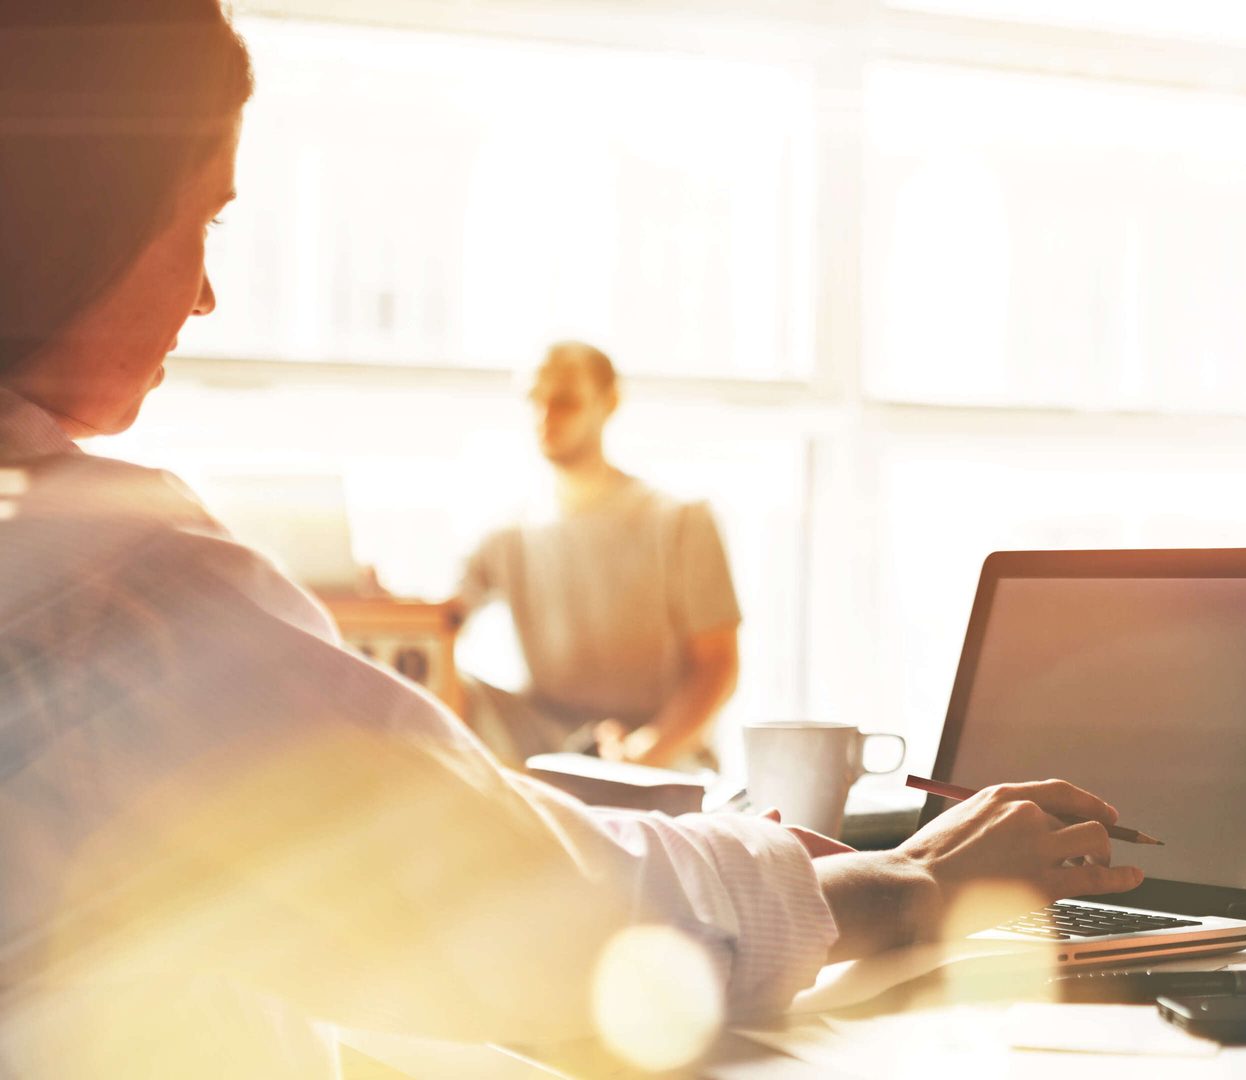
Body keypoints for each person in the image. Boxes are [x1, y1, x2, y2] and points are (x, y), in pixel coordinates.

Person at [0, 4, 1144, 1075]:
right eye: (203, 216)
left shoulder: (672, 518)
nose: (207, 294)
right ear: (82, 212)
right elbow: (510, 906)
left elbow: (696, 683)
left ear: (605, 404)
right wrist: (907, 885)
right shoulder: (108, 579)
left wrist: (680, 802)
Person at [457, 341, 740, 770]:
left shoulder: (682, 522)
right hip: (543, 756)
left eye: (565, 401)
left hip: (658, 755)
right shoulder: (505, 536)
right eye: (535, 399)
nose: (545, 416)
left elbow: (718, 666)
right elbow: (437, 625)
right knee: (454, 684)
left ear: (609, 403)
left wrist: (647, 749)